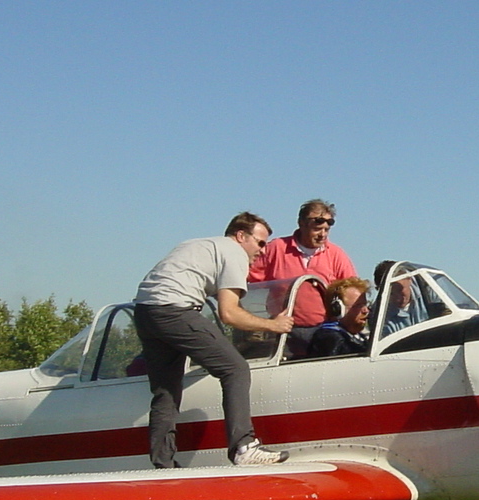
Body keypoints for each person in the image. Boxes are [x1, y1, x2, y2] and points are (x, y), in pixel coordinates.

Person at [133, 212, 294, 469]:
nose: (262, 251)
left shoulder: (197, 245)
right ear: (241, 236)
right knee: (236, 369)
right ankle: (244, 447)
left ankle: (163, 464)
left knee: (165, 391)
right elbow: (229, 313)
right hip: (174, 309)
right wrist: (272, 325)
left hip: (145, 311)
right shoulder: (234, 253)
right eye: (260, 243)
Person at [248, 199, 357, 354]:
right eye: (317, 229)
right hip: (282, 331)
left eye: (326, 230)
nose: (322, 235)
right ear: (301, 223)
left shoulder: (336, 255)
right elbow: (248, 278)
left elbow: (353, 292)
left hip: (322, 332)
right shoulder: (276, 248)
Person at [309, 277, 371, 357]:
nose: (366, 310)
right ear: (337, 309)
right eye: (358, 305)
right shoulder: (330, 338)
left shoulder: (359, 336)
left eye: (365, 304)